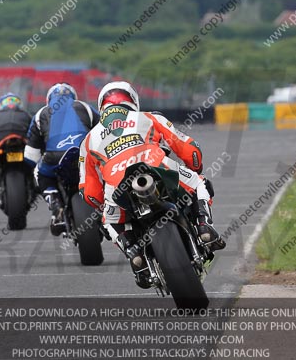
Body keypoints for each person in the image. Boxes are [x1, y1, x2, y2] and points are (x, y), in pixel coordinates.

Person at [78, 81, 225, 274]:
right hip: (157, 167)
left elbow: (87, 191)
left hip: (117, 186)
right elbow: (189, 148)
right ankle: (204, 226)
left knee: (108, 220)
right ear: (132, 100)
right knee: (200, 183)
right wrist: (195, 168)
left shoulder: (88, 140)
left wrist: (101, 205)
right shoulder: (149, 117)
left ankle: (133, 252)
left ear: (101, 106)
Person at [25, 83, 98, 234]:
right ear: (73, 96)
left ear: (49, 99)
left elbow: (31, 156)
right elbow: (104, 130)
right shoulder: (85, 107)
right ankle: (106, 203)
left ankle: (54, 202)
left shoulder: (40, 114)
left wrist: (40, 158)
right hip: (84, 154)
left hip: (54, 156)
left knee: (39, 171)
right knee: (101, 168)